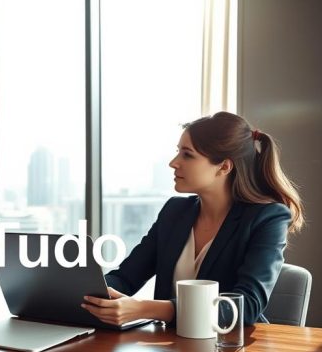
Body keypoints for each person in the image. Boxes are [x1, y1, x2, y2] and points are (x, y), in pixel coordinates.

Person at [82, 111, 304, 326]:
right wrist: (89, 294)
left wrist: (144, 309)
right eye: (178, 152)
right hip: (170, 347)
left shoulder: (268, 217)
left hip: (231, 351)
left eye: (187, 155)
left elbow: (245, 306)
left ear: (224, 166)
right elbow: (126, 277)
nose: (174, 162)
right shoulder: (174, 211)